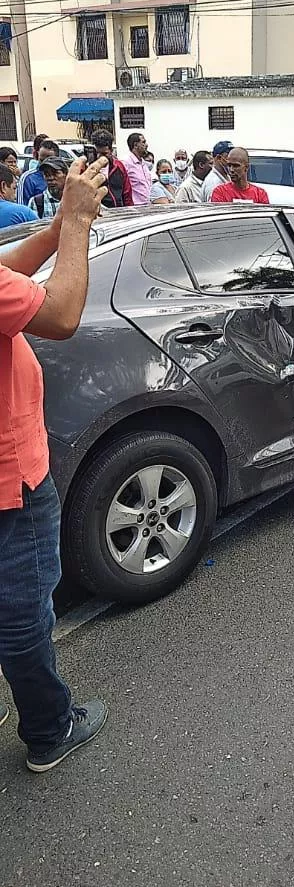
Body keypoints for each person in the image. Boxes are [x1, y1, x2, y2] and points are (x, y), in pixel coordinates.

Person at [0, 156, 108, 772]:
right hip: (11, 483)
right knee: (23, 613)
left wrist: (61, 221)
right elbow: (62, 313)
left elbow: (7, 274)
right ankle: (49, 729)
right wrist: (78, 229)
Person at [91, 130, 133, 208]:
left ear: (111, 151)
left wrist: (130, 212)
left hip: (119, 212)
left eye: (104, 154)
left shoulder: (119, 166)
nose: (100, 157)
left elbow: (127, 193)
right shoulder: (88, 169)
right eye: (97, 153)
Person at [17, 140, 60, 206]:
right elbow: (22, 207)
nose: (44, 163)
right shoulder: (28, 178)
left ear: (57, 159)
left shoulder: (64, 176)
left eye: (49, 160)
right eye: (41, 160)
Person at [122, 133, 152, 206]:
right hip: (135, 207)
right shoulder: (126, 162)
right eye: (143, 142)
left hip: (148, 206)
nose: (146, 145)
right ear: (135, 145)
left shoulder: (144, 164)